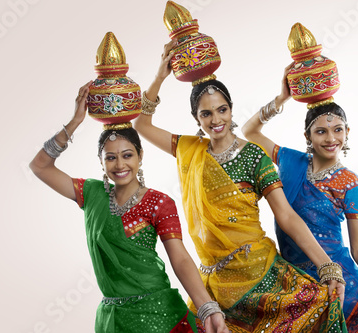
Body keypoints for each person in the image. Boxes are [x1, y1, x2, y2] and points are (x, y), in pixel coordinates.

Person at [134, 40, 348, 333]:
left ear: (231, 110)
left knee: (319, 308)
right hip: (211, 283)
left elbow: (285, 215)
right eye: (206, 114)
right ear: (197, 119)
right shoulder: (188, 149)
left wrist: (327, 265)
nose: (216, 119)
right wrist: (159, 77)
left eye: (222, 110)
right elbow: (141, 126)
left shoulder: (254, 156)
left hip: (260, 274)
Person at [242, 65, 358, 332]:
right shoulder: (290, 161)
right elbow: (249, 131)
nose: (331, 138)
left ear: (347, 131)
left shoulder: (351, 183)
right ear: (307, 136)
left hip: (339, 281)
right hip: (292, 280)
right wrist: (281, 98)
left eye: (338, 129)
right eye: (321, 131)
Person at [29, 81, 229, 333]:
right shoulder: (91, 194)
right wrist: (74, 123)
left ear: (140, 156)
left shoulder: (159, 202)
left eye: (127, 155)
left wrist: (207, 308)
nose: (120, 164)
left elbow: (180, 259)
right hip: (112, 320)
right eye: (110, 157)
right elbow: (40, 166)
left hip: (159, 316)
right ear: (101, 162)